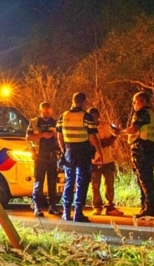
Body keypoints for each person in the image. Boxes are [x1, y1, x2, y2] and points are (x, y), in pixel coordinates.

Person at [57, 92, 103, 223]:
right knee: (82, 182)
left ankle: (66, 212)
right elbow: (93, 137)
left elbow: (59, 137)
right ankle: (78, 213)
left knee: (69, 180)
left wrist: (64, 151)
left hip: (69, 151)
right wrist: (100, 152)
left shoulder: (63, 116)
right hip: (83, 151)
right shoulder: (86, 116)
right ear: (83, 102)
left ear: (72, 100)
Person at [122, 92, 154, 220]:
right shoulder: (152, 114)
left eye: (135, 101)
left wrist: (119, 132)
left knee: (144, 179)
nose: (133, 104)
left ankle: (148, 209)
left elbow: (133, 129)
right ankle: (146, 208)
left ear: (143, 101)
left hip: (142, 148)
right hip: (152, 147)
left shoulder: (141, 113)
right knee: (146, 178)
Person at [27, 101, 61, 217]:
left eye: (48, 111)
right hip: (39, 156)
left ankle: (53, 206)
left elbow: (61, 137)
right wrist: (42, 135)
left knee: (52, 182)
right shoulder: (34, 122)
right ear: (40, 110)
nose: (46, 113)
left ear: (51, 110)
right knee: (38, 182)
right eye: (44, 111)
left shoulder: (55, 122)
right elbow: (28, 137)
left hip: (52, 156)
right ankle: (37, 207)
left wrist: (56, 135)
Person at [88, 107, 124, 216]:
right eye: (91, 117)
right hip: (94, 160)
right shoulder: (87, 127)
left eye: (95, 116)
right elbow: (91, 143)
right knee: (95, 185)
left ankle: (110, 206)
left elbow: (111, 139)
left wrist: (99, 142)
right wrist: (102, 142)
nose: (93, 118)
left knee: (109, 184)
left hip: (108, 159)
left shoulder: (106, 125)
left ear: (98, 116)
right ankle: (97, 206)